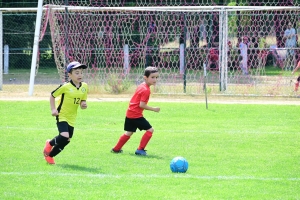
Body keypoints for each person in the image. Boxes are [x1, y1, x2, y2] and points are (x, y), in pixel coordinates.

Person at [43, 61, 88, 164]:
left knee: (66, 140)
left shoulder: (84, 86)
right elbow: (52, 95)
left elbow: (82, 100)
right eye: (77, 73)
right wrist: (53, 109)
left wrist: (83, 104)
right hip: (62, 115)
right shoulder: (65, 86)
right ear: (69, 75)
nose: (80, 75)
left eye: (81, 72)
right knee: (64, 136)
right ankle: (49, 144)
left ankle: (50, 156)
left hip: (72, 117)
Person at [111, 66, 160, 156]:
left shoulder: (142, 85)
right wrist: (154, 109)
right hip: (136, 115)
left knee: (129, 132)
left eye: (156, 77)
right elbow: (142, 105)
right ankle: (140, 150)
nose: (155, 79)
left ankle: (116, 149)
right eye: (152, 77)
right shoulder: (146, 90)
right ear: (145, 78)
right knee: (150, 130)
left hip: (130, 113)